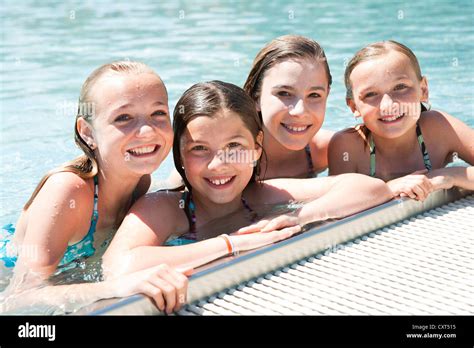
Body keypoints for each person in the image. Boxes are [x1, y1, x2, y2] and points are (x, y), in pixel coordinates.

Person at [102, 81, 392, 276]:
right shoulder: (164, 209)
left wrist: (300, 217)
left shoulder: (261, 195)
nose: (219, 164)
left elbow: (369, 187)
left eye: (234, 147)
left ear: (256, 149)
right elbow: (118, 265)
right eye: (200, 149)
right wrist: (232, 244)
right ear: (178, 155)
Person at [0, 61, 188, 314]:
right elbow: (18, 297)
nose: (146, 131)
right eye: (124, 118)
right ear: (87, 132)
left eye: (158, 114)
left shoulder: (141, 183)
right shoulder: (68, 191)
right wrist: (116, 286)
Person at [328, 40, 474, 200]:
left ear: (423, 90)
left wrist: (449, 175)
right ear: (354, 107)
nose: (388, 105)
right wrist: (388, 188)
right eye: (370, 94)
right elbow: (337, 202)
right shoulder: (348, 147)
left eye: (400, 87)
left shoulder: (439, 128)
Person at [242, 35, 334, 179]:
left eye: (314, 95)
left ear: (327, 95)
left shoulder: (330, 150)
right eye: (284, 93)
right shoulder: (234, 155)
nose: (300, 111)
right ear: (255, 97)